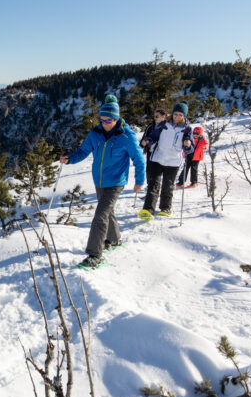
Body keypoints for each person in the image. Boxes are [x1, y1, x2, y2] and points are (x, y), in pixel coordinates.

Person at [60, 95, 145, 269]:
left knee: (100, 216)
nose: (105, 122)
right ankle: (114, 239)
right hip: (99, 180)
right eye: (102, 118)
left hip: (116, 182)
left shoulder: (126, 136)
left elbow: (138, 159)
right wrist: (70, 159)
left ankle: (95, 255)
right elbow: (83, 151)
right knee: (107, 211)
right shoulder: (95, 133)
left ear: (116, 119)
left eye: (109, 119)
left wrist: (139, 180)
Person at [138, 100, 193, 219]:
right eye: (175, 114)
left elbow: (190, 149)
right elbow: (153, 136)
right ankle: (148, 209)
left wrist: (188, 145)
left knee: (168, 186)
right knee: (153, 184)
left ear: (184, 116)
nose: (177, 116)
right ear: (172, 114)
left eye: (180, 115)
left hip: (173, 162)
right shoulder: (164, 125)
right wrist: (148, 141)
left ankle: (166, 208)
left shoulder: (187, 129)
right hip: (158, 158)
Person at [140, 109, 168, 179]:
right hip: (151, 150)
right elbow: (145, 136)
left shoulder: (168, 126)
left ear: (163, 117)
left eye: (157, 116)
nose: (155, 118)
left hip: (163, 151)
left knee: (161, 168)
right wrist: (143, 143)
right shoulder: (151, 125)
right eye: (154, 116)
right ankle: (149, 184)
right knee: (149, 168)